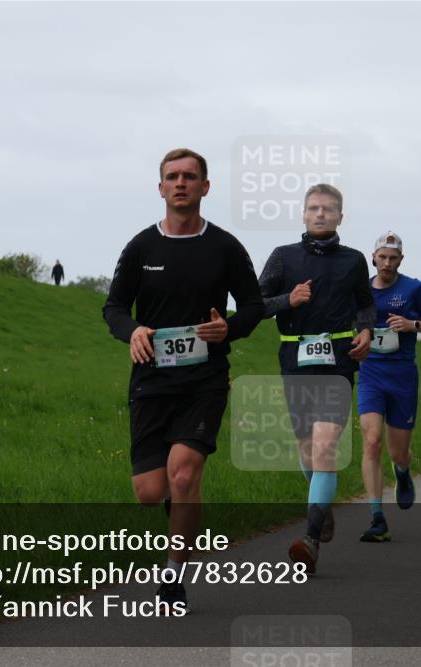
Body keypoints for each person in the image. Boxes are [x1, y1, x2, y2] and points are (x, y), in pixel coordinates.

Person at [102, 148, 264, 610]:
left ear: (205, 187)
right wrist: (131, 330)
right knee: (152, 493)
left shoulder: (226, 247)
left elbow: (254, 306)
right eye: (172, 177)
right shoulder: (141, 248)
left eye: (189, 176)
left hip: (205, 379)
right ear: (160, 188)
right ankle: (183, 509)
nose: (180, 183)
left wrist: (228, 328)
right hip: (151, 380)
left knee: (184, 473)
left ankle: (173, 577)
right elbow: (113, 307)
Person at [258, 183, 373, 572]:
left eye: (328, 209)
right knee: (308, 451)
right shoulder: (283, 257)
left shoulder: (354, 260)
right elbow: (256, 305)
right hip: (294, 360)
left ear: (341, 216)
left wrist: (365, 331)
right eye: (313, 208)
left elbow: (366, 305)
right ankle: (321, 508)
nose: (320, 214)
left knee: (325, 449)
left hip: (339, 363)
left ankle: (310, 538)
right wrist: (286, 301)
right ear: (303, 215)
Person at [356, 231, 421, 542]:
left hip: (403, 375)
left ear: (400, 260)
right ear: (373, 257)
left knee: (398, 452)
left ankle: (402, 472)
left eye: (393, 258)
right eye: (382, 257)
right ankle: (377, 517)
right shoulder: (360, 288)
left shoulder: (414, 289)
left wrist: (411, 325)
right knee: (372, 440)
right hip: (371, 373)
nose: (386, 263)